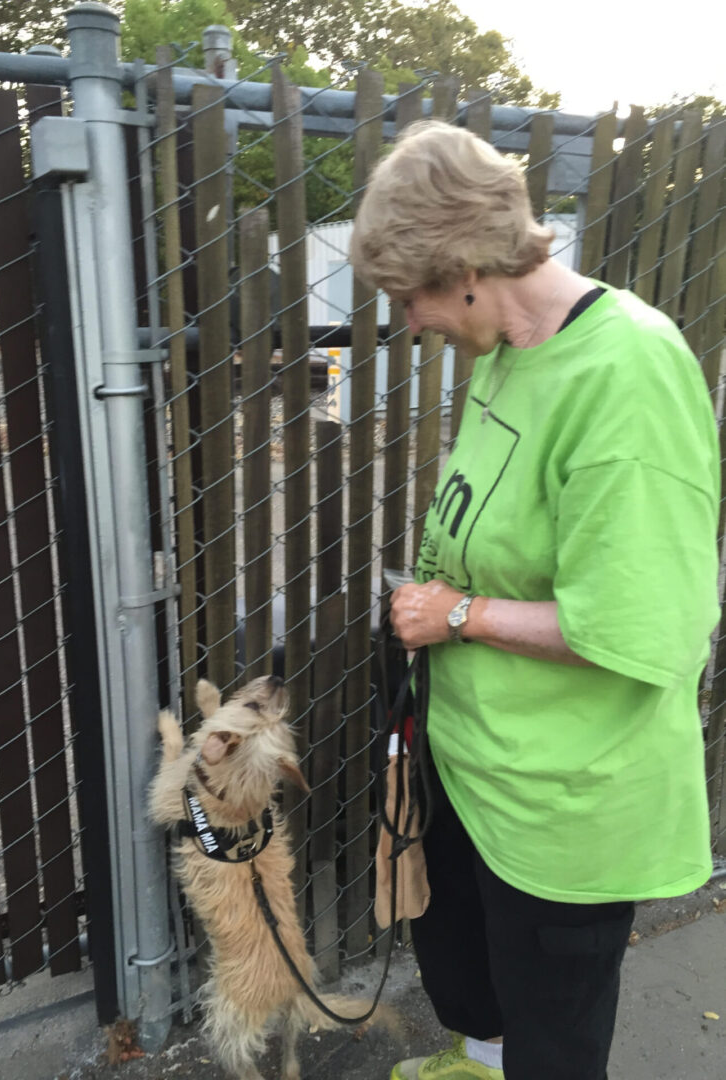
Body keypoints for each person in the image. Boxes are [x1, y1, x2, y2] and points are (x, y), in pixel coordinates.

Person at [349, 119, 719, 1080]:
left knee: (554, 1037)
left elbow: (643, 627)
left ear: (466, 265)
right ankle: (476, 1063)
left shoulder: (626, 374)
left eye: (411, 298)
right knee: (473, 979)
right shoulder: (510, 353)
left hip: (568, 802)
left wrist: (458, 616)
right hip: (479, 763)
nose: (413, 322)